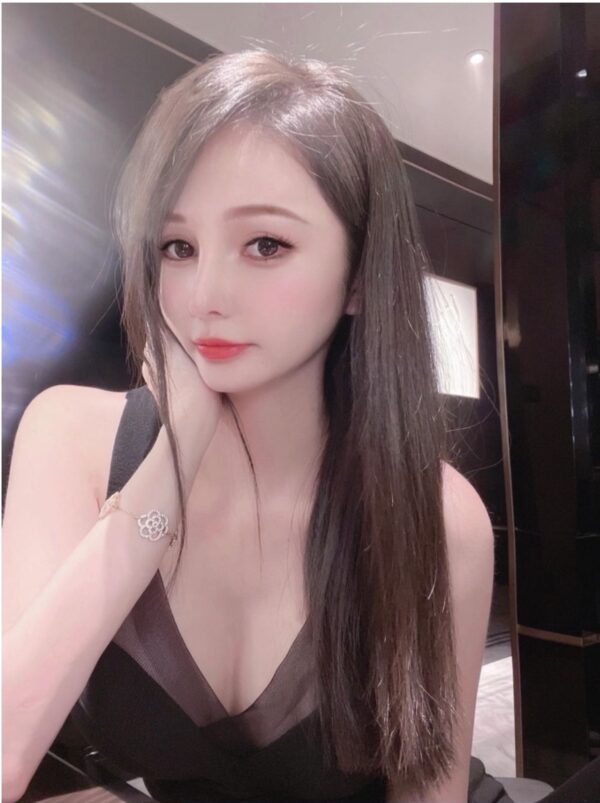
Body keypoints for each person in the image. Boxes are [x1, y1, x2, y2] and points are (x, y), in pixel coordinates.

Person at [3, 49, 497, 802]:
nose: (204, 294)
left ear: (359, 276)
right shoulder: (71, 437)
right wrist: (164, 476)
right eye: (178, 247)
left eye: (266, 244)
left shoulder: (437, 514)